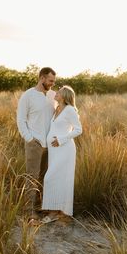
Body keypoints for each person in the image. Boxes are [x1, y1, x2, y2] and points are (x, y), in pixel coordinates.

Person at [16, 67, 56, 222]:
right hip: (35, 143)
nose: (52, 84)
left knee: (45, 177)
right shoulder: (28, 95)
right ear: (42, 78)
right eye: (50, 81)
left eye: (54, 81)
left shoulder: (53, 95)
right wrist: (29, 138)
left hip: (50, 145)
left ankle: (40, 207)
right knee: (31, 177)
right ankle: (29, 211)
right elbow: (21, 119)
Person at [41, 85, 82, 222]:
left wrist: (61, 139)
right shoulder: (57, 108)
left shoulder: (70, 110)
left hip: (64, 150)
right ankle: (56, 211)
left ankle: (53, 213)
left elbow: (78, 130)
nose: (55, 93)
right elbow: (45, 93)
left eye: (58, 92)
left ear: (64, 96)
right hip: (54, 150)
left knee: (50, 178)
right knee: (57, 179)